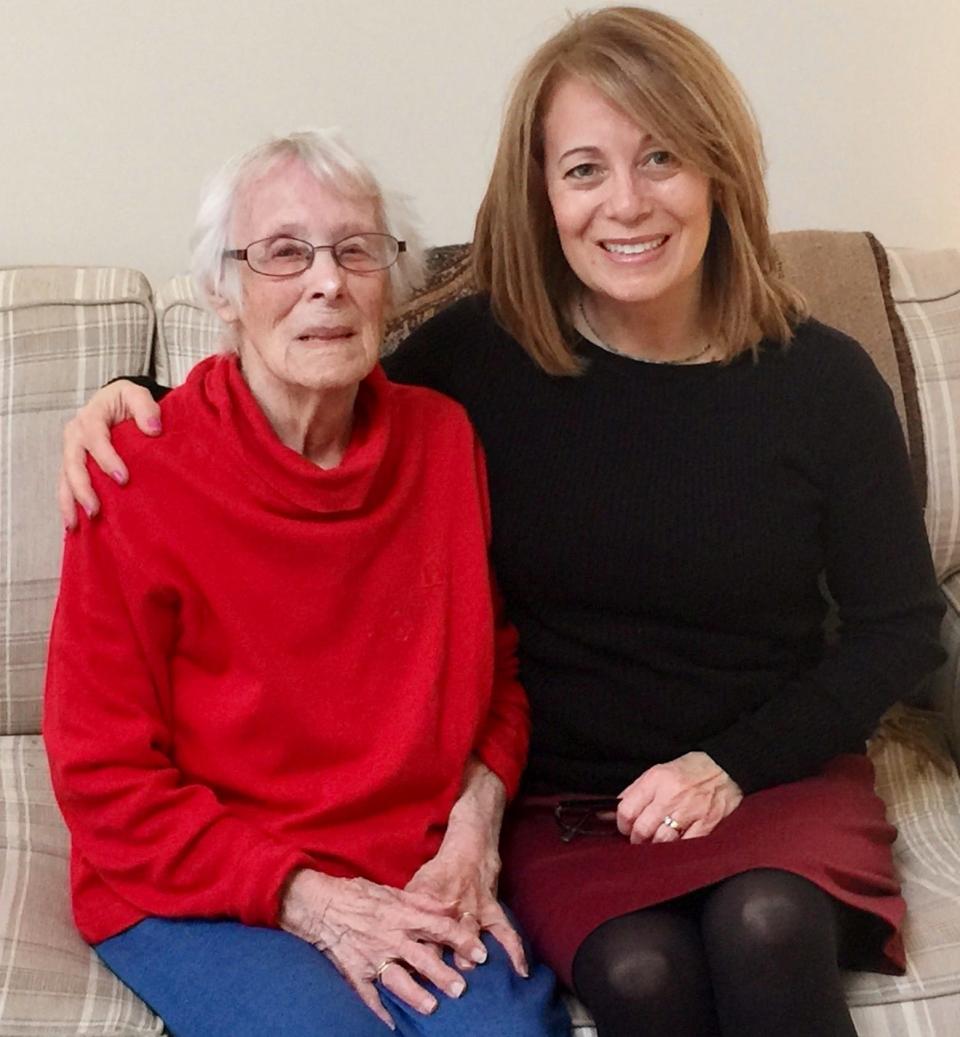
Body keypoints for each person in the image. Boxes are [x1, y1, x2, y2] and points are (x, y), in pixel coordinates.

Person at [57, 8, 946, 1037]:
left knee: (764, 922)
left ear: (719, 171)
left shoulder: (820, 380)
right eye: (583, 169)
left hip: (761, 777)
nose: (628, 203)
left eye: (662, 156)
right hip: (575, 805)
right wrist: (133, 395)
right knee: (643, 972)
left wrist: (729, 765)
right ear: (542, 193)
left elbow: (900, 627)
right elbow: (299, 386)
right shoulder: (483, 360)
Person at [43, 129, 570, 1037]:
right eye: (284, 252)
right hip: (198, 877)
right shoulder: (134, 472)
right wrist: (306, 899)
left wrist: (473, 832)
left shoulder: (444, 443)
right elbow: (101, 775)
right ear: (224, 289)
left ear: (389, 283)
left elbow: (498, 677)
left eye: (355, 249)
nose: (327, 280)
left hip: (411, 864)